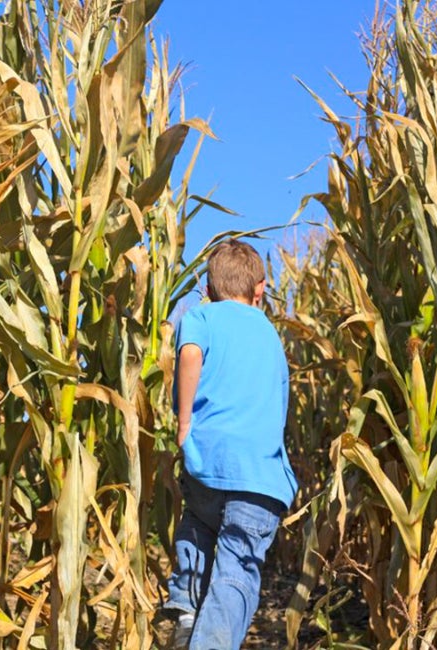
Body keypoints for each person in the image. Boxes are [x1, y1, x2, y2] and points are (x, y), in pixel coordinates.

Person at [164, 238, 299, 650]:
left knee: (197, 529)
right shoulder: (271, 335)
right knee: (236, 567)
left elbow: (190, 354)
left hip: (208, 464)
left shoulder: (202, 316)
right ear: (260, 290)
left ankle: (187, 611)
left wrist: (184, 421)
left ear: (208, 289)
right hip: (259, 478)